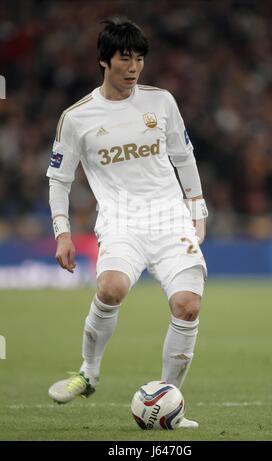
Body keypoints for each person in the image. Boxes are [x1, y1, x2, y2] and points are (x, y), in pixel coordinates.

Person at [47, 18, 208, 429]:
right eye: (125, 58)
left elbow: (183, 156)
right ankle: (88, 373)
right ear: (104, 61)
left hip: (170, 216)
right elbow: (59, 179)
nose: (134, 67)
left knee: (188, 307)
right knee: (111, 287)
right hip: (120, 219)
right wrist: (62, 232)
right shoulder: (77, 117)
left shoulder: (161, 102)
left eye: (139, 58)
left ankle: (170, 402)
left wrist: (197, 208)